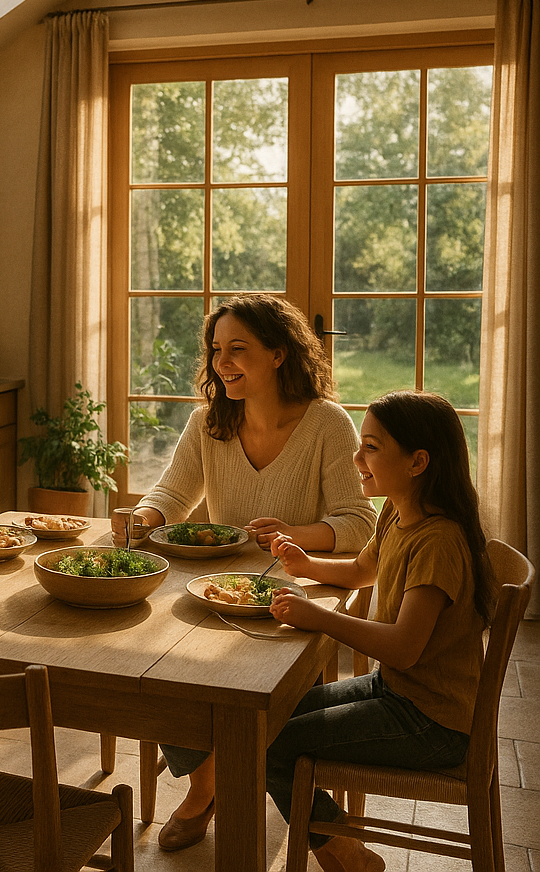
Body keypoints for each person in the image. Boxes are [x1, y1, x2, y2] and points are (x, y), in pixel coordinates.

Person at [111, 294, 376, 852]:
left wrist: (293, 536)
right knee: (143, 657)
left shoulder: (327, 423)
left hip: (298, 594)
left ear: (279, 355)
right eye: (215, 352)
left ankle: (216, 785)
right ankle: (207, 782)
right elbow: (173, 491)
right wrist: (145, 516)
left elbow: (358, 524)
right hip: (218, 590)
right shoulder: (209, 421)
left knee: (246, 693)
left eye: (238, 350)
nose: (222, 363)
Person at [265, 391, 498, 872]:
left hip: (433, 720)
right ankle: (346, 849)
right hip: (397, 691)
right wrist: (307, 564)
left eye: (371, 447)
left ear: (417, 462)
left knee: (275, 744)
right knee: (265, 721)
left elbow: (404, 648)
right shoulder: (397, 510)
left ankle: (347, 857)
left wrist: (320, 617)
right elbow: (361, 571)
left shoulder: (439, 540)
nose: (356, 458)